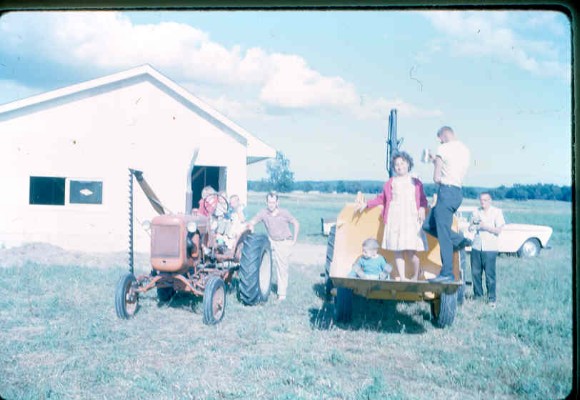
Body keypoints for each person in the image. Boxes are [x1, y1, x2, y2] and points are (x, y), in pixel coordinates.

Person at [357, 151, 428, 281]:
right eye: (396, 164)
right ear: (394, 168)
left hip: (411, 218)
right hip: (395, 218)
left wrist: (422, 207)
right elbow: (381, 198)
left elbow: (423, 199)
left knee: (412, 251)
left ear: (408, 164)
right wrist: (367, 204)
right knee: (397, 249)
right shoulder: (390, 182)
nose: (400, 166)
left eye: (402, 163)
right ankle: (402, 277)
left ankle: (416, 275)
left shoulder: (416, 182)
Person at [422, 126, 471, 283]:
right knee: (428, 225)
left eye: (439, 138)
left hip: (446, 192)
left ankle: (447, 273)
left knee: (443, 234)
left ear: (443, 135)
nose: (439, 141)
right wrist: (434, 160)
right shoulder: (464, 149)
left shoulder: (442, 148)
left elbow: (437, 178)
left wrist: (434, 160)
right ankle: (459, 241)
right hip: (457, 193)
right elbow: (450, 168)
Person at [247, 191, 300, 301]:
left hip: (283, 241)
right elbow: (252, 221)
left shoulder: (284, 213)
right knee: (262, 261)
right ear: (266, 202)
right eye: (269, 202)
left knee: (282, 267)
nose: (271, 204)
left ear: (277, 202)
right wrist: (251, 226)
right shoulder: (263, 213)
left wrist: (294, 240)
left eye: (273, 202)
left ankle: (282, 294)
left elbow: (296, 223)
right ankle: (262, 286)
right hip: (271, 240)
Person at [469, 192, 505, 307]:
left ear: (490, 201)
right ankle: (478, 296)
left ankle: (491, 299)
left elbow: (499, 230)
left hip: (490, 247)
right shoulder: (475, 212)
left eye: (485, 200)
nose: (482, 202)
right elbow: (471, 228)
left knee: (490, 274)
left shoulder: (497, 212)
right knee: (475, 273)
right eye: (481, 200)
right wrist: (474, 225)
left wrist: (486, 227)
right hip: (476, 246)